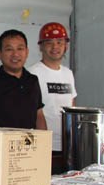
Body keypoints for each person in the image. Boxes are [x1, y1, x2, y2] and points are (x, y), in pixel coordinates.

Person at [28, 22, 76, 173]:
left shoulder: (68, 73)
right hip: (44, 145)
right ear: (41, 47)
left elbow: (72, 104)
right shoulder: (32, 74)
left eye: (60, 42)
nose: (55, 47)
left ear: (66, 46)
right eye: (49, 42)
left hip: (68, 144)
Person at [0, 29, 47, 130]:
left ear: (27, 52)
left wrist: (45, 139)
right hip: (1, 140)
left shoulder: (33, 80)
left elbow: (39, 115)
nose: (15, 54)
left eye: (20, 48)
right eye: (9, 49)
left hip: (29, 140)